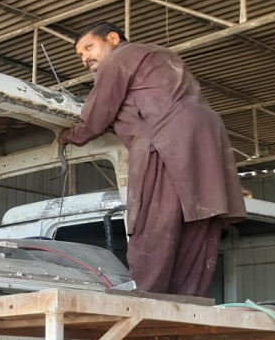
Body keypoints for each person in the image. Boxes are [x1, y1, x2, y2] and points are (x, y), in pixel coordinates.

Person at [58, 22, 246, 297]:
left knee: (155, 221)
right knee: (199, 224)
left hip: (167, 138)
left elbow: (97, 115)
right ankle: (187, 301)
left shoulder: (119, 58)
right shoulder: (164, 56)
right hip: (208, 140)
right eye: (80, 55)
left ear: (113, 38)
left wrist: (67, 135)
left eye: (89, 47)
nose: (85, 57)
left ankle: (147, 298)